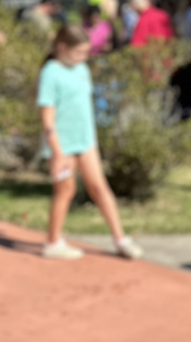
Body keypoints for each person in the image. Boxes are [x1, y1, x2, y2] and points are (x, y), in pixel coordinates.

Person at [37, 25, 142, 262]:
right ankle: (52, 242)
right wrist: (57, 153)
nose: (83, 58)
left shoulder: (82, 69)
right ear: (62, 48)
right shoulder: (50, 72)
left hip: (85, 141)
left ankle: (120, 239)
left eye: (86, 52)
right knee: (65, 190)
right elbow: (47, 119)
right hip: (61, 145)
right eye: (78, 53)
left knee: (99, 187)